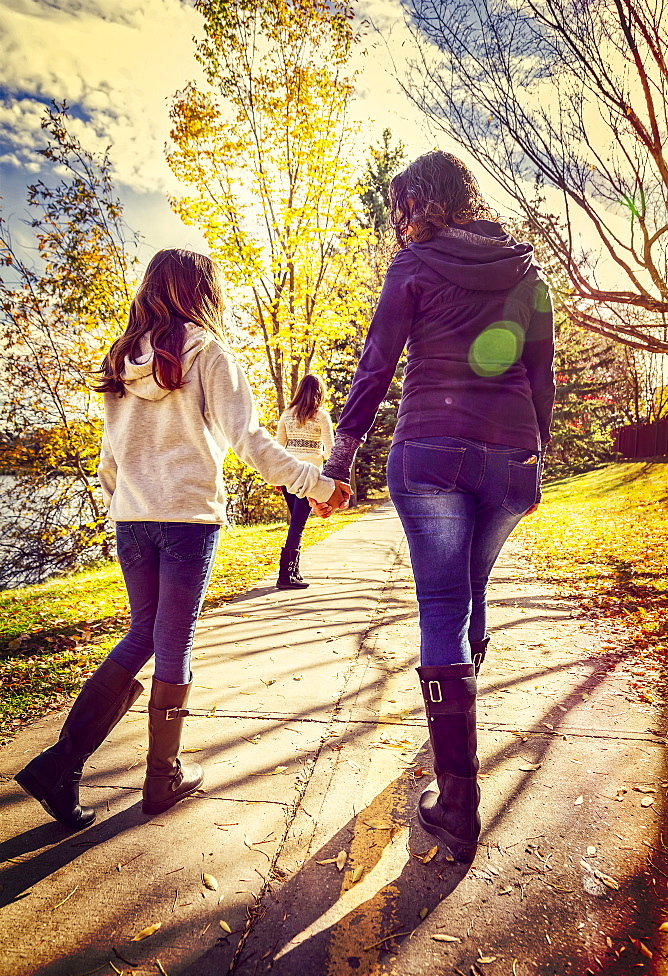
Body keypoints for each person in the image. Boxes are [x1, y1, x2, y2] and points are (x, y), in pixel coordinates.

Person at [14, 248, 350, 830]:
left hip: (133, 520)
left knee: (144, 632)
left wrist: (129, 502)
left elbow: (108, 461)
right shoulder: (209, 354)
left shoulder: (122, 359)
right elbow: (248, 439)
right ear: (201, 291)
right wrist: (316, 484)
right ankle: (158, 777)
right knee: (171, 641)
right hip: (187, 521)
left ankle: (62, 765)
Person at [320, 151, 555, 862]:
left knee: (443, 610)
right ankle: (456, 742)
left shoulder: (414, 267)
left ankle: (458, 798)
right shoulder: (527, 270)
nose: (397, 222)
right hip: (511, 457)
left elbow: (377, 362)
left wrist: (342, 453)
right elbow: (542, 372)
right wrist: (535, 448)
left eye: (401, 207)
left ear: (422, 203)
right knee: (469, 593)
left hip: (429, 451)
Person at [275, 373, 334, 589]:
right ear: (320, 393)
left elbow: (278, 449)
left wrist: (276, 476)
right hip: (310, 477)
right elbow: (330, 452)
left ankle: (292, 572)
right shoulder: (321, 416)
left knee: (296, 523)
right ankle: (286, 575)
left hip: (288, 475)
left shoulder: (287, 415)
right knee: (297, 525)